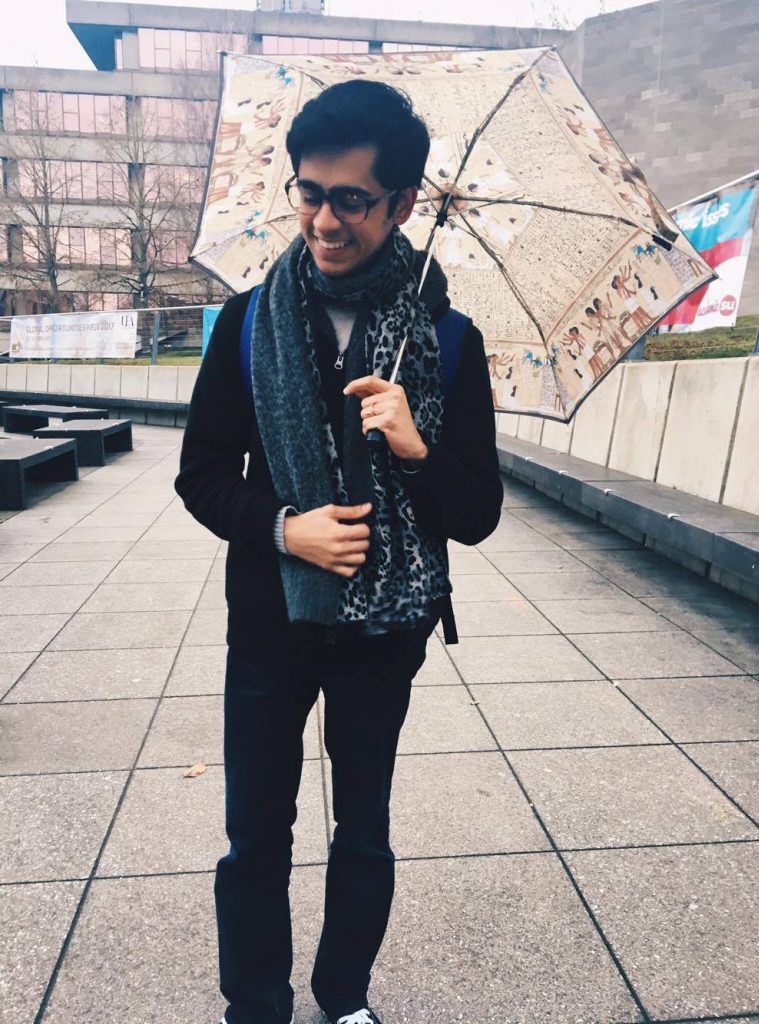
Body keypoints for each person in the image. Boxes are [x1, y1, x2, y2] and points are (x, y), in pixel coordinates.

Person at [175, 79, 502, 1024]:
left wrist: (416, 448)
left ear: (402, 203)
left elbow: (477, 514)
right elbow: (201, 475)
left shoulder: (449, 340)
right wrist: (288, 529)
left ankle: (344, 996)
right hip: (270, 622)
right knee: (255, 836)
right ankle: (256, 1006)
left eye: (351, 199)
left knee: (362, 830)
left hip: (384, 634)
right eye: (309, 193)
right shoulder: (249, 323)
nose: (324, 220)